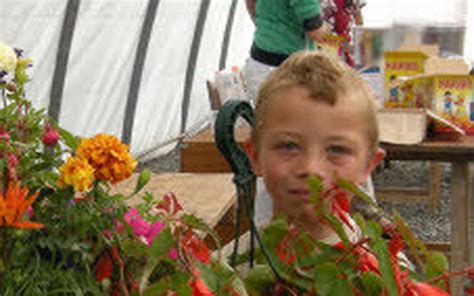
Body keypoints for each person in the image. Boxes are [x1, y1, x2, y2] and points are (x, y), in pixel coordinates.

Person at [246, 51, 385, 242]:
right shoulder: (229, 266)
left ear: (368, 165)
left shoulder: (386, 269)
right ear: (255, 157)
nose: (310, 169)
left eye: (336, 150)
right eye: (289, 146)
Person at [243, 0, 329, 104]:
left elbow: (251, 4)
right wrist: (326, 29)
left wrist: (269, 28)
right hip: (288, 73)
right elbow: (316, 32)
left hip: (258, 64)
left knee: (265, 117)